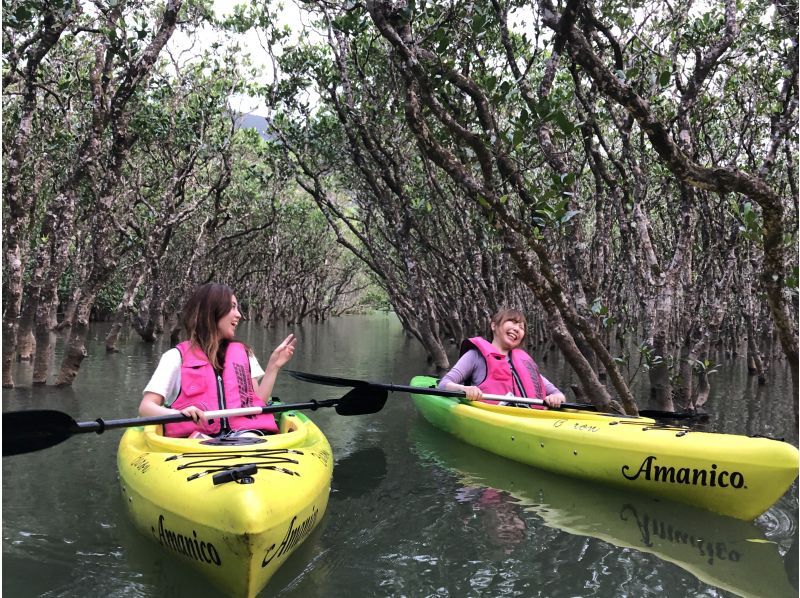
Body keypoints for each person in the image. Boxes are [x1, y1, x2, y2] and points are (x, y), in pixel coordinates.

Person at [139, 282, 297, 438]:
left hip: (244, 435)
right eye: (232, 307)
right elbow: (146, 407)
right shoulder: (175, 357)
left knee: (248, 437)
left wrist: (273, 366)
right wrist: (176, 413)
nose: (239, 315)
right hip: (196, 442)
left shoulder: (244, 354)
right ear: (212, 311)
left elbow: (256, 403)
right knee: (197, 439)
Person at [438, 308, 566, 408]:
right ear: (494, 326)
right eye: (513, 322)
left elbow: (558, 394)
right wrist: (464, 389)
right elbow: (443, 385)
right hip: (490, 415)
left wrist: (556, 398)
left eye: (521, 328)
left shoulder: (525, 366)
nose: (517, 329)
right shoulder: (475, 356)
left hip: (529, 418)